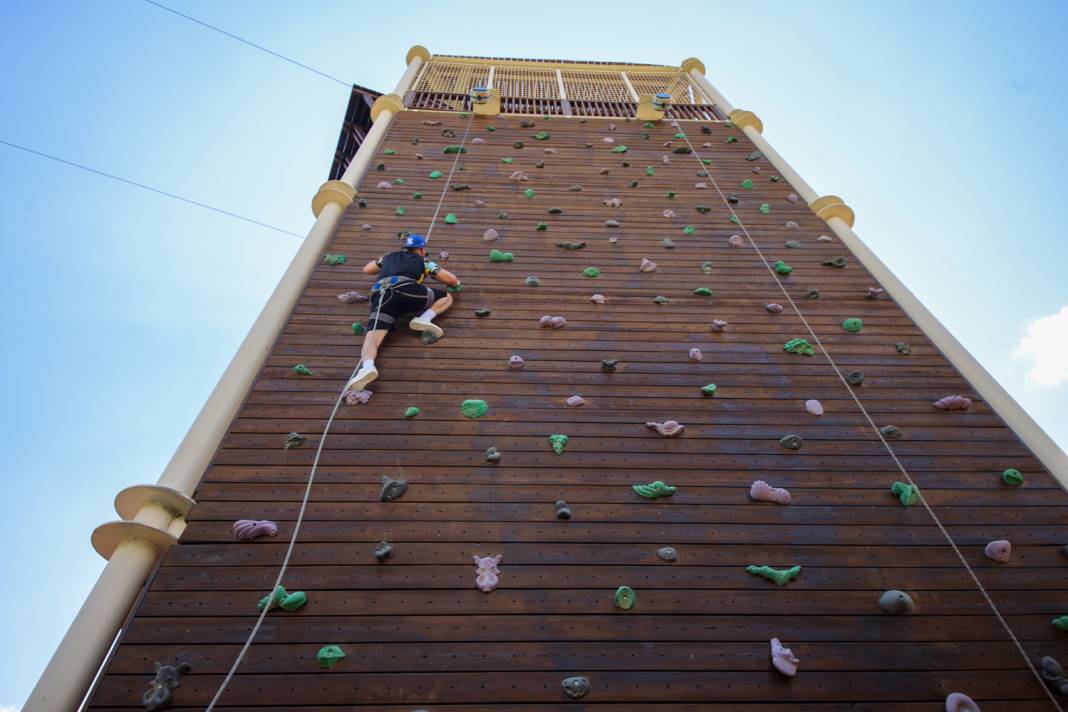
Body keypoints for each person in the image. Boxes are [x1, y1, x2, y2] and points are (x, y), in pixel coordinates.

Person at [345, 233, 459, 391]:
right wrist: (455, 282)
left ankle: (367, 367)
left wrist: (382, 262)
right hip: (406, 290)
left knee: (372, 339)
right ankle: (424, 319)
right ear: (421, 249)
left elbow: (367, 269)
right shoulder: (423, 261)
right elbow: (450, 279)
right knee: (446, 297)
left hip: (381, 295)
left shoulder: (387, 257)